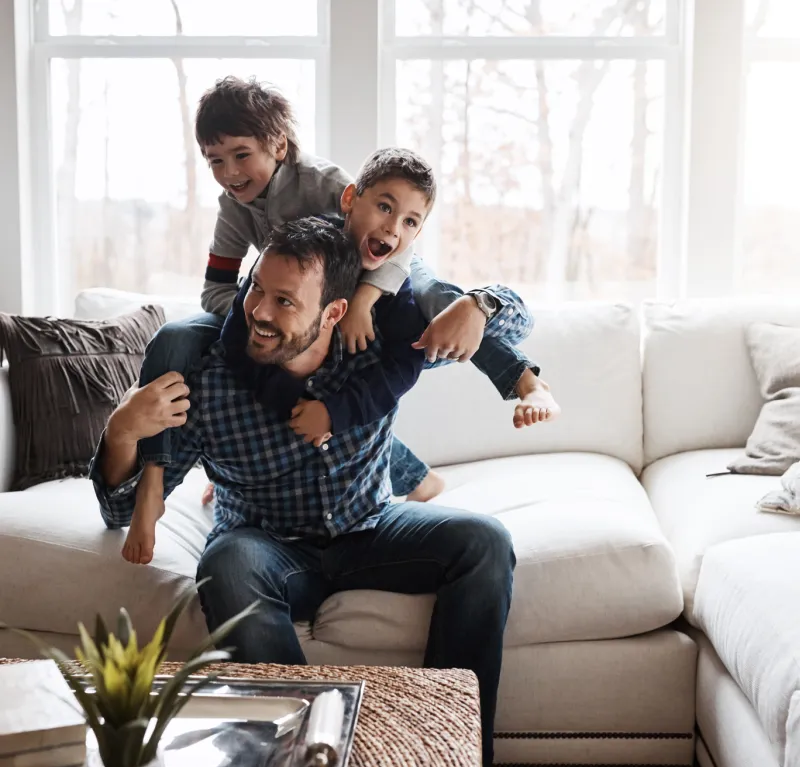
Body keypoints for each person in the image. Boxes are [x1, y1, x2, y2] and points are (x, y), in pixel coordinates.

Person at [91, 218, 515, 767]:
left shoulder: (376, 347)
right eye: (256, 290)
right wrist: (121, 431)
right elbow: (121, 513)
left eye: (285, 301)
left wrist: (479, 305)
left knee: (485, 541)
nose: (260, 312)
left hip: (372, 526)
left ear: (334, 312)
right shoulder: (210, 381)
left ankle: (452, 755)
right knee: (227, 563)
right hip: (267, 547)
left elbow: (516, 325)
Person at [124, 75, 559, 564]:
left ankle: (524, 382)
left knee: (439, 307)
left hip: (380, 280)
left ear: (279, 145)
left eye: (241, 155)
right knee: (177, 337)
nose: (229, 172)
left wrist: (365, 300)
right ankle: (156, 479)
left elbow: (386, 242)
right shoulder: (235, 209)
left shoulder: (326, 186)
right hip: (296, 312)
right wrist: (265, 313)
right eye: (215, 161)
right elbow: (216, 290)